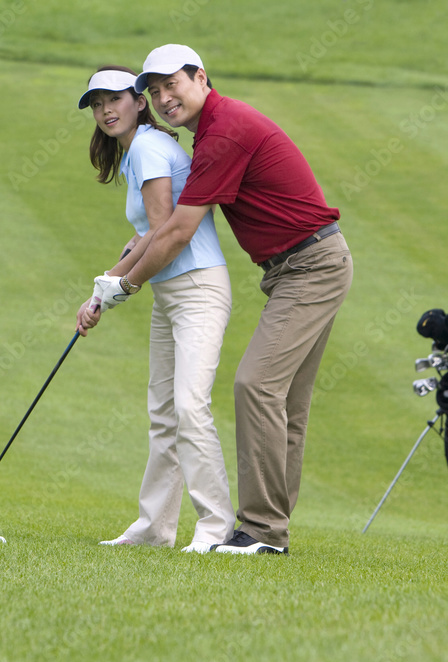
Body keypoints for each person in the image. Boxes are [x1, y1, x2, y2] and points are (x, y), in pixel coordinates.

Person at [90, 45, 353, 555]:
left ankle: (260, 530)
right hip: (294, 268)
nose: (165, 98)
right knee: (285, 406)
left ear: (200, 78)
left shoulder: (224, 131)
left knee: (255, 386)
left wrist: (123, 286)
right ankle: (267, 530)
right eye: (157, 90)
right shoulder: (207, 134)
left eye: (174, 86)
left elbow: (176, 233)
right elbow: (160, 228)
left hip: (311, 266)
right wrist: (122, 267)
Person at [74, 66, 236, 554]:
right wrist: (103, 290)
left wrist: (121, 286)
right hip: (172, 292)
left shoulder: (146, 148)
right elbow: (148, 234)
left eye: (115, 99)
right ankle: (154, 528)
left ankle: (215, 528)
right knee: (164, 413)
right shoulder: (139, 151)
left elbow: (165, 231)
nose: (106, 110)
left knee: (189, 406)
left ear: (139, 101)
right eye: (97, 102)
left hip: (197, 288)